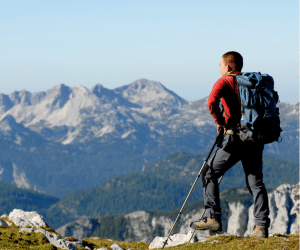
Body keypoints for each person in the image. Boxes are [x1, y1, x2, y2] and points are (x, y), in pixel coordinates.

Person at [190, 51, 270, 238]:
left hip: (234, 138)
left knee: (209, 173)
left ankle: (213, 217)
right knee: (255, 182)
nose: (219, 68)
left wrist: (220, 122)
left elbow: (211, 102)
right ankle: (261, 227)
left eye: (220, 65)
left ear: (227, 67)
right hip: (255, 137)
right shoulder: (250, 83)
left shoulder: (224, 81)